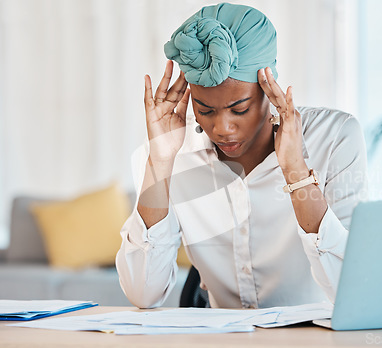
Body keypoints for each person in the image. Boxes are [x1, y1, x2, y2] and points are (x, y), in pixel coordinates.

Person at [116, 3, 367, 309]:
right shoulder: (165, 153)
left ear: (269, 85)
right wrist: (160, 162)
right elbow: (143, 293)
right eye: (205, 110)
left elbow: (351, 291)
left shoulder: (335, 138)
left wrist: (296, 172)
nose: (221, 128)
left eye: (240, 109)